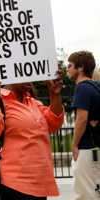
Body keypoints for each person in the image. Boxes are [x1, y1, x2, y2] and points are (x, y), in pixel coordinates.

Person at [0, 70, 64, 200]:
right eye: (25, 73)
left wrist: (55, 94)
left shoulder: (31, 102)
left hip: (39, 182)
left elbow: (54, 123)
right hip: (10, 183)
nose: (31, 77)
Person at [66, 50, 100, 199]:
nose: (67, 69)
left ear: (80, 68)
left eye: (70, 66)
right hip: (97, 144)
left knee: (86, 192)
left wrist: (74, 144)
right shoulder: (97, 86)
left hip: (87, 147)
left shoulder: (81, 88)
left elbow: (82, 119)